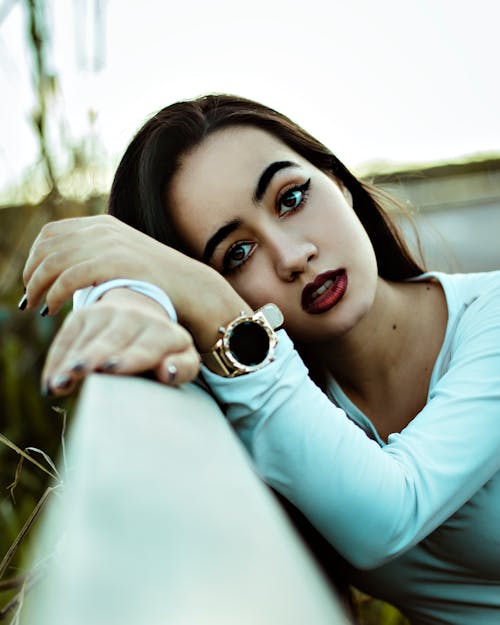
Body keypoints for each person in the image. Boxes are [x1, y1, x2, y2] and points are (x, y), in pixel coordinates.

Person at [20, 94, 500, 625]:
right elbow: (121, 289)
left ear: (337, 180)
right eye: (237, 254)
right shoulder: (279, 395)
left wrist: (218, 304)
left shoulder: (492, 314)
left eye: (291, 198)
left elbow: (390, 513)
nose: (293, 257)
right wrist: (137, 295)